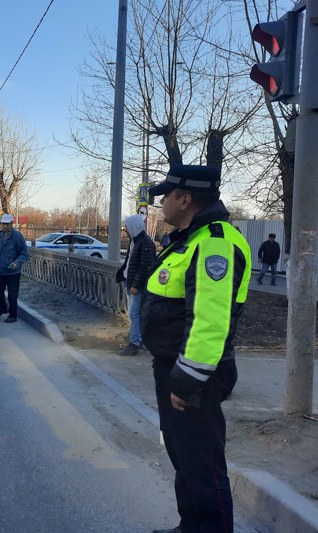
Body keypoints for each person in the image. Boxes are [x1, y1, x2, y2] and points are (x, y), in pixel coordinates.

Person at [140, 165, 251, 533]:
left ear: (185, 199)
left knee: (202, 467)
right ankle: (190, 527)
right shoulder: (190, 238)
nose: (161, 203)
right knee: (184, 459)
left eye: (166, 196)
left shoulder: (214, 243)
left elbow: (210, 321)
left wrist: (186, 382)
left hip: (195, 375)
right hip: (175, 370)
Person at [116, 214, 156, 356]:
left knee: (133, 314)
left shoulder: (145, 242)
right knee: (134, 314)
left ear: (134, 226)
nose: (125, 229)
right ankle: (138, 341)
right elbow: (130, 261)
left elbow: (145, 266)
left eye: (127, 226)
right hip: (130, 282)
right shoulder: (135, 240)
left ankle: (134, 345)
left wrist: (136, 285)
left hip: (135, 285)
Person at [0, 214, 29, 323]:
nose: (4, 226)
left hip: (13, 272)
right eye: (3, 224)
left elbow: (25, 253)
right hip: (2, 270)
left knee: (12, 295)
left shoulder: (17, 236)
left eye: (7, 224)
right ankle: (2, 309)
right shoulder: (0, 236)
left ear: (11, 224)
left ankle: (13, 315)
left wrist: (16, 263)